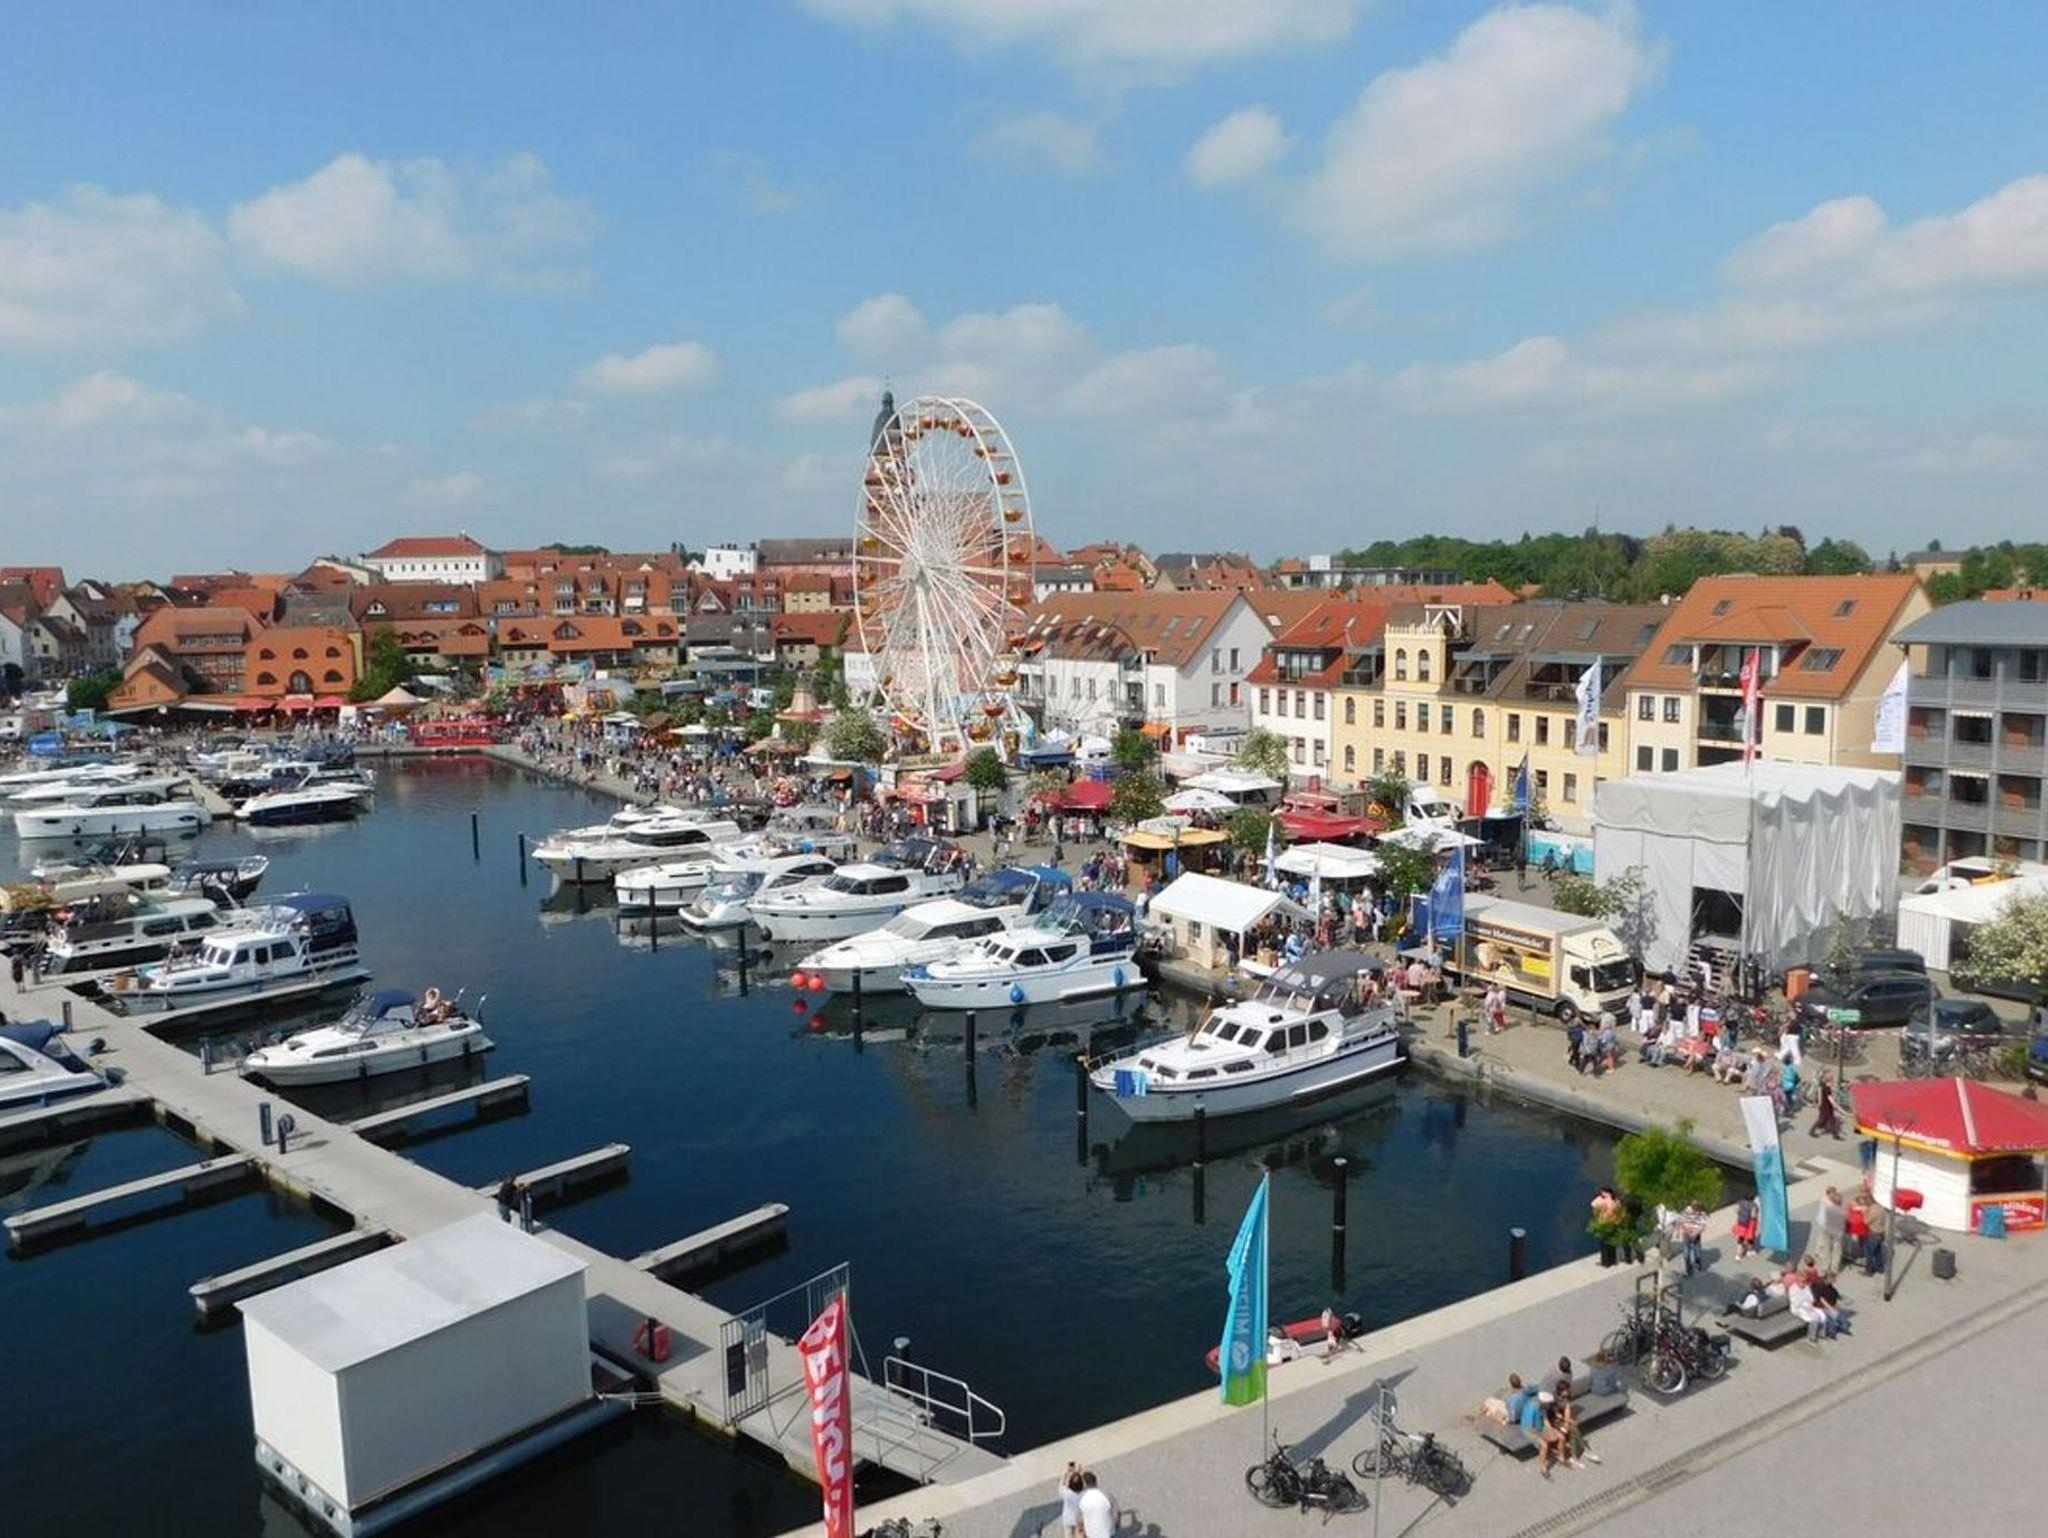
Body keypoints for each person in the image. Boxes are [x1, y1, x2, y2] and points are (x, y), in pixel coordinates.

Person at [1813, 1187, 1848, 1272]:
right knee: (1836, 1251)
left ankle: (1825, 1267)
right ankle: (1834, 1269)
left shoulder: (1828, 1207)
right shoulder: (1842, 1211)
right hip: (1837, 1233)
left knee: (1826, 1249)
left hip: (1827, 1230)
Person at [1076, 1471, 1116, 1538]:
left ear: (1084, 1484)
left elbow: (1079, 1519)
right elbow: (1116, 1513)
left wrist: (1080, 1530)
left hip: (1091, 1534)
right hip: (1108, 1533)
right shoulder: (1106, 1494)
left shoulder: (1080, 1498)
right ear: (1096, 1481)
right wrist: (1115, 1525)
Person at [1678, 1201, 1708, 1275]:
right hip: (1687, 1234)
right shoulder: (1687, 1210)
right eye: (1695, 1209)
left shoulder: (1702, 1213)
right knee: (1686, 1253)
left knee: (1697, 1252)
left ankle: (1697, 1266)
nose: (1696, 1212)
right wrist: (1688, 1231)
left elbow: (1703, 1225)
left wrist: (1696, 1233)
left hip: (1696, 1234)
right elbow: (1681, 1221)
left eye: (1697, 1210)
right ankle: (1688, 1269)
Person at [1811, 1073, 1844, 1139]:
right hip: (1825, 1108)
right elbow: (1830, 1098)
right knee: (1821, 1120)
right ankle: (1811, 1131)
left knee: (1832, 1120)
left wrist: (1819, 1103)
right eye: (1832, 1081)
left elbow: (1820, 1095)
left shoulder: (1823, 1086)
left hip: (1827, 1107)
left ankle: (1835, 1135)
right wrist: (1835, 1105)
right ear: (1828, 1081)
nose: (1833, 1083)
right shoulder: (1827, 1088)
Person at [1058, 1465, 1085, 1538]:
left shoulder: (1066, 1493)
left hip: (1068, 1518)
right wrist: (1080, 1473)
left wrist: (1066, 1474)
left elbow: (1061, 1485)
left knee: (1068, 1535)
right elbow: (1084, 1484)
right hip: (1079, 1518)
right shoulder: (1084, 1493)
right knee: (1080, 1534)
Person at [1732, 1194, 1760, 1259]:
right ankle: (1749, 1251)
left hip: (1741, 1223)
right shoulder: (1753, 1205)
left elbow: (1736, 1210)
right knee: (1750, 1237)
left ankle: (1738, 1255)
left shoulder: (1740, 1202)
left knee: (1741, 1238)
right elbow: (1753, 1215)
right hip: (1750, 1224)